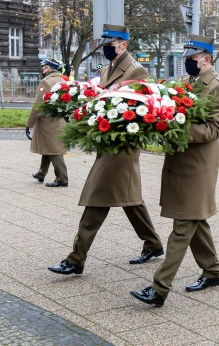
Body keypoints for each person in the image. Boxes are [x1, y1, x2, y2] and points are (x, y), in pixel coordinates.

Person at [48, 24, 163, 275]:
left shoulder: (136, 70)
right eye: (104, 45)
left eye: (110, 45)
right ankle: (153, 243)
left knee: (96, 199)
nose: (106, 49)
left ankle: (76, 258)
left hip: (122, 146)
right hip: (107, 142)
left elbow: (132, 110)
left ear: (123, 45)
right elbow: (99, 96)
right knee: (130, 199)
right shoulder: (106, 68)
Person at [130, 35, 219, 307]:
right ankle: (212, 272)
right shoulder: (185, 84)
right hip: (180, 161)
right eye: (186, 58)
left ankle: (159, 287)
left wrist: (175, 126)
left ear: (206, 59)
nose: (186, 63)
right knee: (195, 219)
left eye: (191, 59)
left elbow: (213, 129)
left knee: (182, 226)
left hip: (198, 166)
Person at [26, 58, 69, 188]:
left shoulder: (46, 82)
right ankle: (41, 173)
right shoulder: (63, 80)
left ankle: (62, 179)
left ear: (49, 68)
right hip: (59, 119)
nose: (42, 70)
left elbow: (38, 105)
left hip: (47, 121)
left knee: (54, 150)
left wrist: (29, 124)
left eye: (43, 67)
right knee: (49, 147)